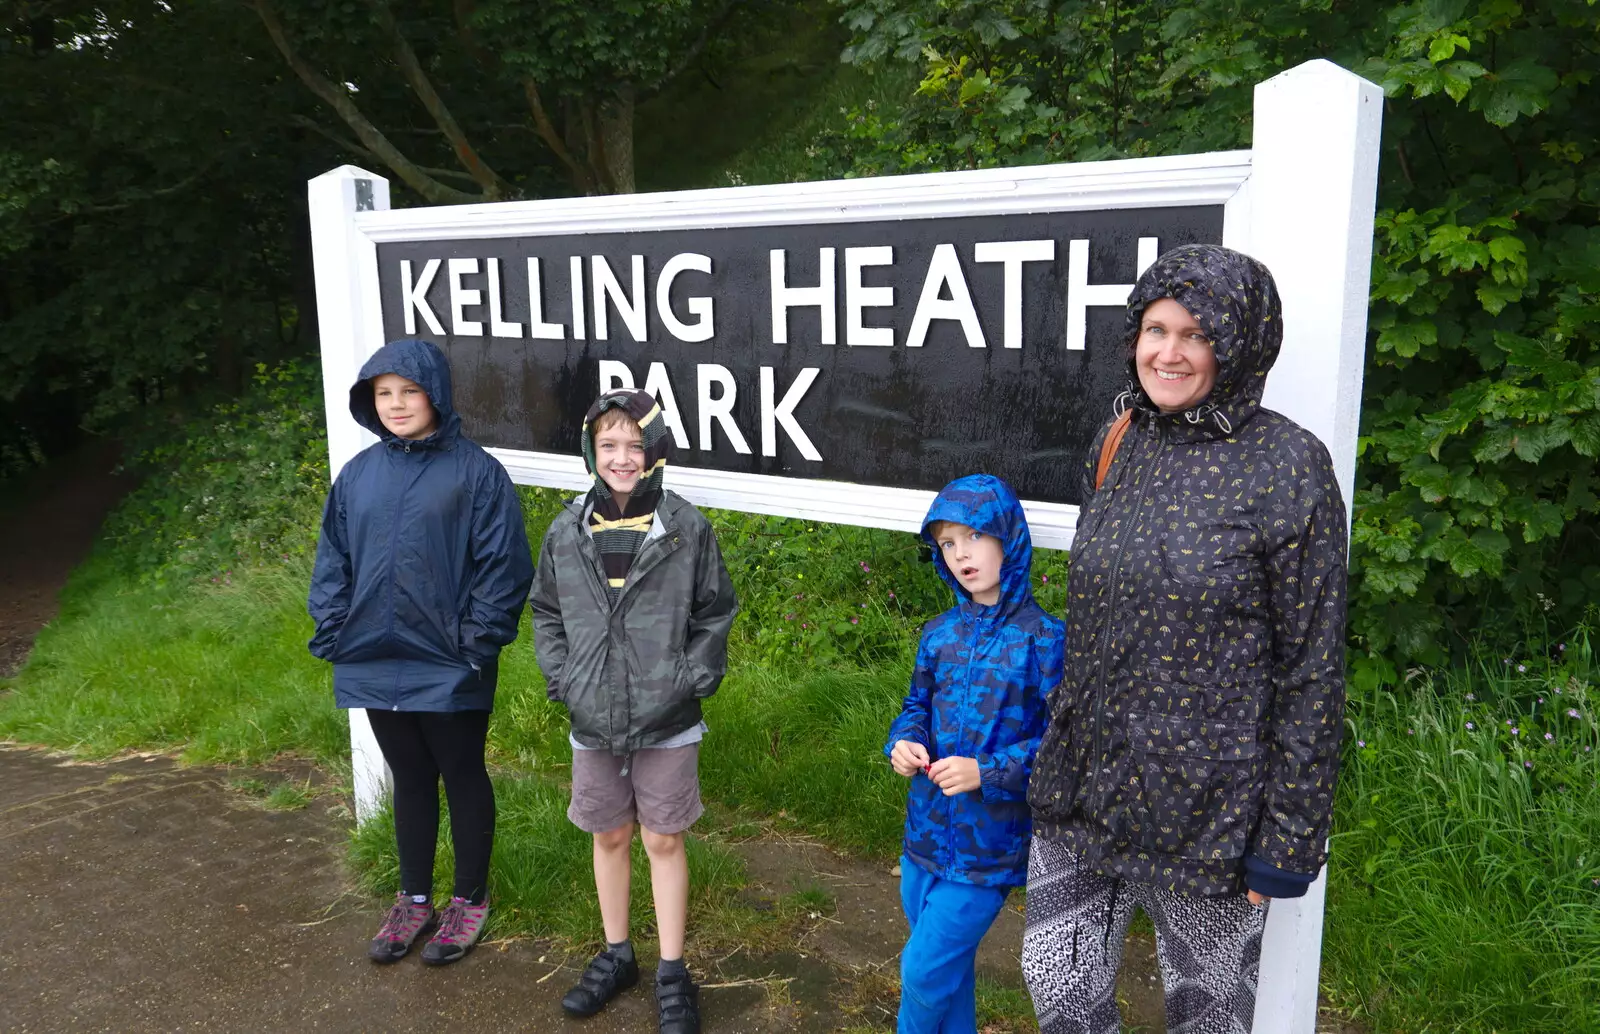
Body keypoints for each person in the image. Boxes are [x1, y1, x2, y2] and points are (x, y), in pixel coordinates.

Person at [1022, 244, 1349, 1034]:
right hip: (1086, 787)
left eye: (1196, 335)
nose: (1168, 352)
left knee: (1205, 1019)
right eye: (1155, 328)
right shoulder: (1120, 439)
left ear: (1237, 344)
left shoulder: (1288, 465)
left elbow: (1314, 666)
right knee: (1056, 987)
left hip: (1212, 818)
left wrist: (1290, 837)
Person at [308, 338, 533, 966]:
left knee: (460, 773)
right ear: (369, 401)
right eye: (384, 393)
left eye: (409, 391)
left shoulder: (475, 471)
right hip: (373, 655)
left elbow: (504, 567)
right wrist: (333, 631)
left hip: (449, 660)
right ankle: (414, 899)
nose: (397, 404)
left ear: (435, 394)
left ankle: (468, 901)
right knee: (408, 776)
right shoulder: (359, 475)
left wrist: (474, 643)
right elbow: (334, 562)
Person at [530, 387, 738, 1034]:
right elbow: (546, 612)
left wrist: (690, 678)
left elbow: (714, 612)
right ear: (591, 451)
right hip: (593, 716)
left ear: (656, 452)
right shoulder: (567, 530)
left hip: (667, 716)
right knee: (610, 834)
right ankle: (618, 954)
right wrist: (565, 678)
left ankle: (672, 970)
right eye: (609, 445)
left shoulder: (684, 528)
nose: (622, 457)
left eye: (635, 445)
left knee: (662, 837)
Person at [886, 474, 1064, 1034]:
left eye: (973, 536)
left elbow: (1066, 748)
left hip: (988, 851)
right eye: (946, 543)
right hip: (923, 837)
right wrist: (903, 742)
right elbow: (916, 705)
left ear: (1007, 537)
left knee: (922, 972)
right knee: (951, 973)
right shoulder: (938, 635)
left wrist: (986, 772)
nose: (961, 554)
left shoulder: (1046, 640)